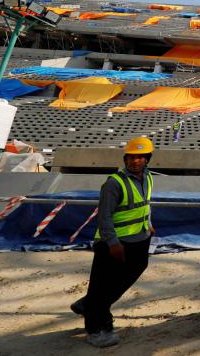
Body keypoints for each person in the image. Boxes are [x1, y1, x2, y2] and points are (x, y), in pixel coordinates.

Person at [70, 137, 156, 348]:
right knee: (102, 286)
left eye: (140, 157)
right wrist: (113, 243)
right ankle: (96, 328)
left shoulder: (148, 178)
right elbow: (104, 217)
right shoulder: (113, 184)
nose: (135, 161)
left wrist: (149, 223)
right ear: (125, 158)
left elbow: (144, 204)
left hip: (139, 238)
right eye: (131, 157)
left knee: (134, 270)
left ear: (147, 160)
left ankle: (89, 304)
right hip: (115, 244)